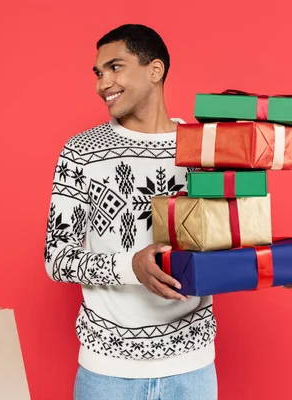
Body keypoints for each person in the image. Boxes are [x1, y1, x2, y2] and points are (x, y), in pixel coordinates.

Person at [43, 25, 218, 399]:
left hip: (193, 368)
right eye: (98, 73)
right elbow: (56, 258)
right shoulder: (81, 152)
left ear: (155, 70)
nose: (102, 83)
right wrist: (131, 266)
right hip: (107, 372)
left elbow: (226, 239)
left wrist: (272, 267)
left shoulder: (204, 149)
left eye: (115, 67)